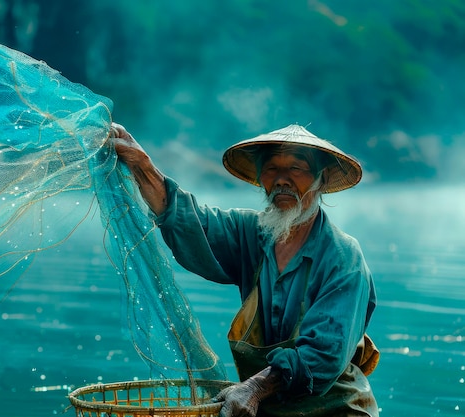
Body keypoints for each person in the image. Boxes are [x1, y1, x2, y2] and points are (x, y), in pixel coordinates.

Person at [111, 123, 380, 417]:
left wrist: (254, 388)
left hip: (336, 410)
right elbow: (192, 223)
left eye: (296, 169)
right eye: (271, 169)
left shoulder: (343, 257)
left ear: (321, 178)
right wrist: (142, 166)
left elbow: (322, 355)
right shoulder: (251, 233)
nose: (282, 180)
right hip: (270, 409)